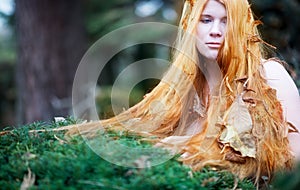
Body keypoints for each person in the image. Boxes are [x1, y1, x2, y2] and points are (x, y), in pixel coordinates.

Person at [66, 0, 300, 185]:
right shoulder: (184, 90)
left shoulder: (270, 75)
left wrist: (191, 148)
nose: (216, 31)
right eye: (206, 20)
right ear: (191, 25)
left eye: (226, 21)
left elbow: (294, 163)